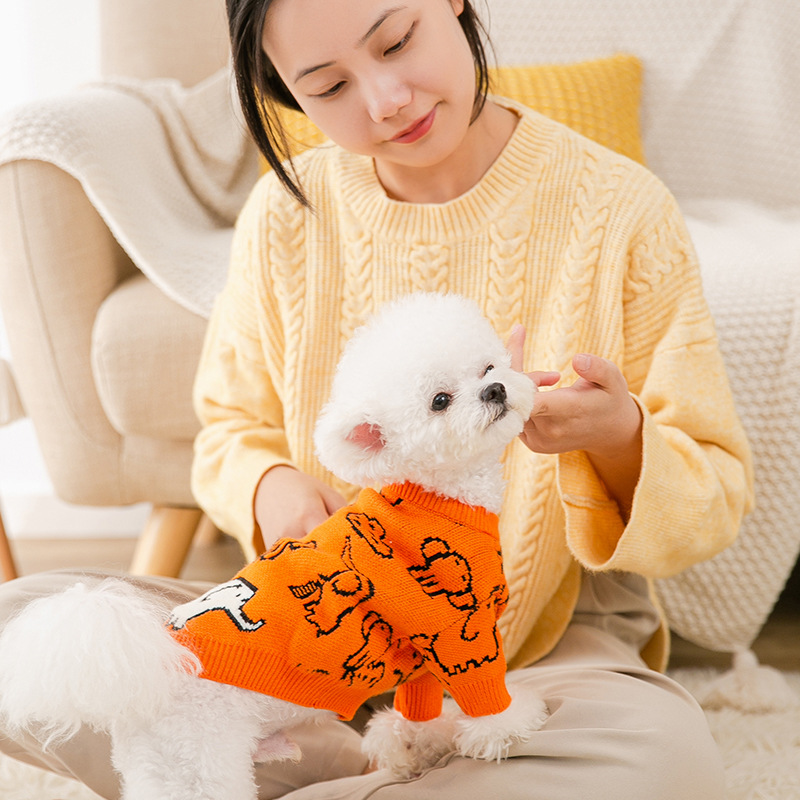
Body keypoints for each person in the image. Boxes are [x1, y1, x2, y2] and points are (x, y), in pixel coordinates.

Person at [0, 0, 753, 798]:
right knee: (34, 635)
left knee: (661, 763)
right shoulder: (285, 216)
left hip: (547, 646)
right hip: (312, 635)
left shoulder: (620, 210)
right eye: (328, 86)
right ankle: (325, 748)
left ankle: (303, 769)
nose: (386, 100)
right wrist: (271, 486)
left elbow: (713, 493)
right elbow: (226, 430)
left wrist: (618, 437)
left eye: (397, 41)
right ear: (286, 92)